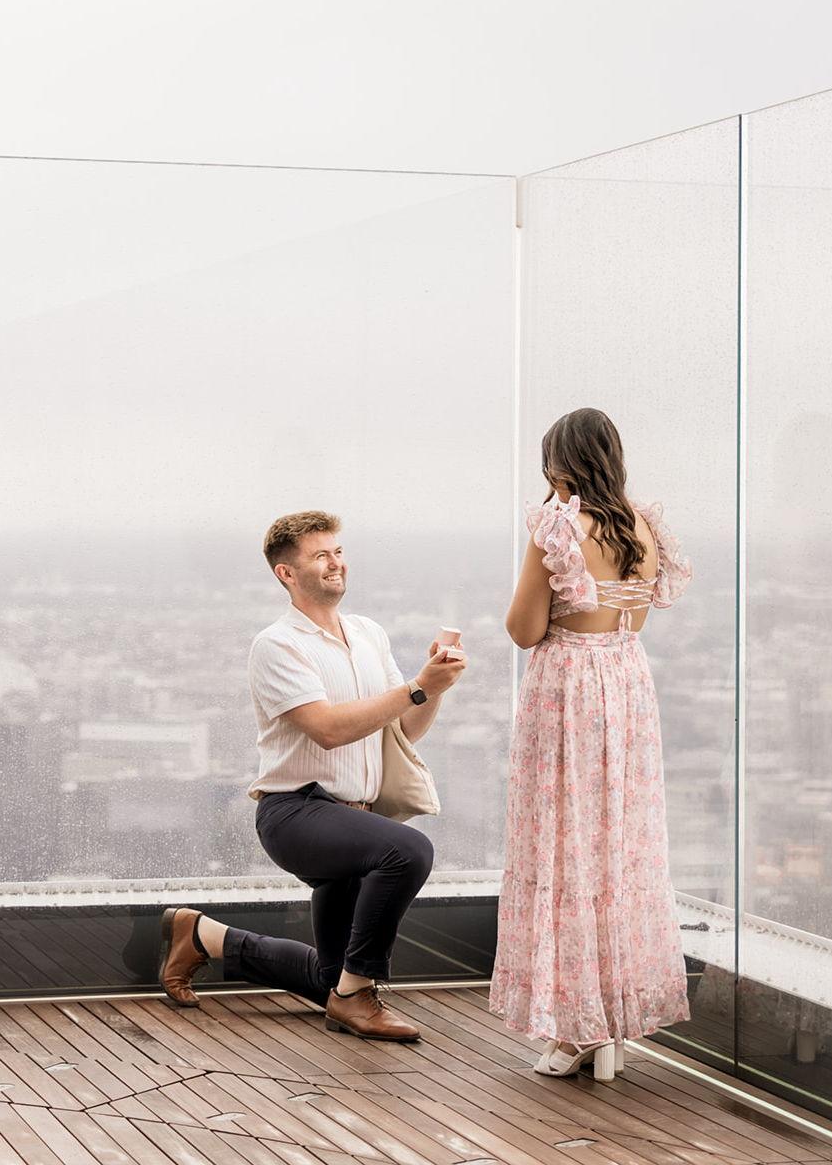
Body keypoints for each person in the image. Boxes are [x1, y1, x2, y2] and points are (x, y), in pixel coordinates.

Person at [157, 508, 467, 1041]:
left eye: (338, 552)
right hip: (296, 812)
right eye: (320, 556)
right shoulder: (277, 645)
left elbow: (403, 729)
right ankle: (358, 995)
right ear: (287, 573)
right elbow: (325, 729)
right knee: (409, 851)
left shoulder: (369, 633)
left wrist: (433, 686)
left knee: (329, 977)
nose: (335, 564)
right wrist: (416, 686)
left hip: (356, 821)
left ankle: (202, 935)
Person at [489, 408, 694, 1080]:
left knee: (565, 846)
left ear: (560, 464)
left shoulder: (558, 527)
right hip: (626, 685)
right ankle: (615, 1016)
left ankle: (575, 1025)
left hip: (567, 688)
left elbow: (524, 629)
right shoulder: (643, 526)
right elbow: (632, 618)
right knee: (618, 849)